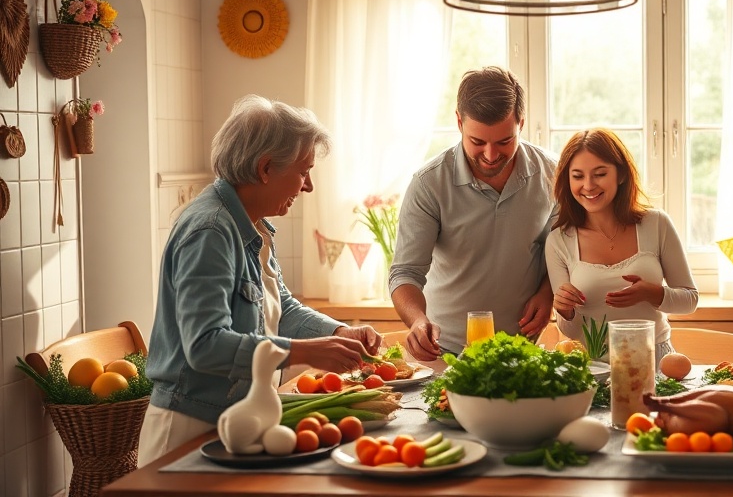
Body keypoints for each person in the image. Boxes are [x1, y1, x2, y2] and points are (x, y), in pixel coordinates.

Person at [138, 94, 382, 465]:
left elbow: (281, 306)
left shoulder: (252, 224)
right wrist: (306, 352)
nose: (308, 186)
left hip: (232, 420)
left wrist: (337, 333)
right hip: (189, 427)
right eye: (304, 171)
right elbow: (204, 344)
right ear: (266, 168)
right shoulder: (211, 231)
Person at [390, 66, 557, 360]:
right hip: (446, 353)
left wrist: (548, 293)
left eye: (504, 141)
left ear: (521, 122)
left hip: (523, 352)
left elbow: (565, 252)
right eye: (477, 141)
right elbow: (406, 272)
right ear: (458, 121)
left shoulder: (553, 174)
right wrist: (417, 320)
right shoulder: (428, 184)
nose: (491, 155)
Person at [545, 128, 699, 366]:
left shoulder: (656, 223)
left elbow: (689, 300)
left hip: (655, 362)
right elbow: (572, 331)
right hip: (595, 368)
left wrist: (652, 293)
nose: (588, 185)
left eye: (599, 174)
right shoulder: (559, 241)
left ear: (621, 175)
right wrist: (564, 310)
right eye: (577, 176)